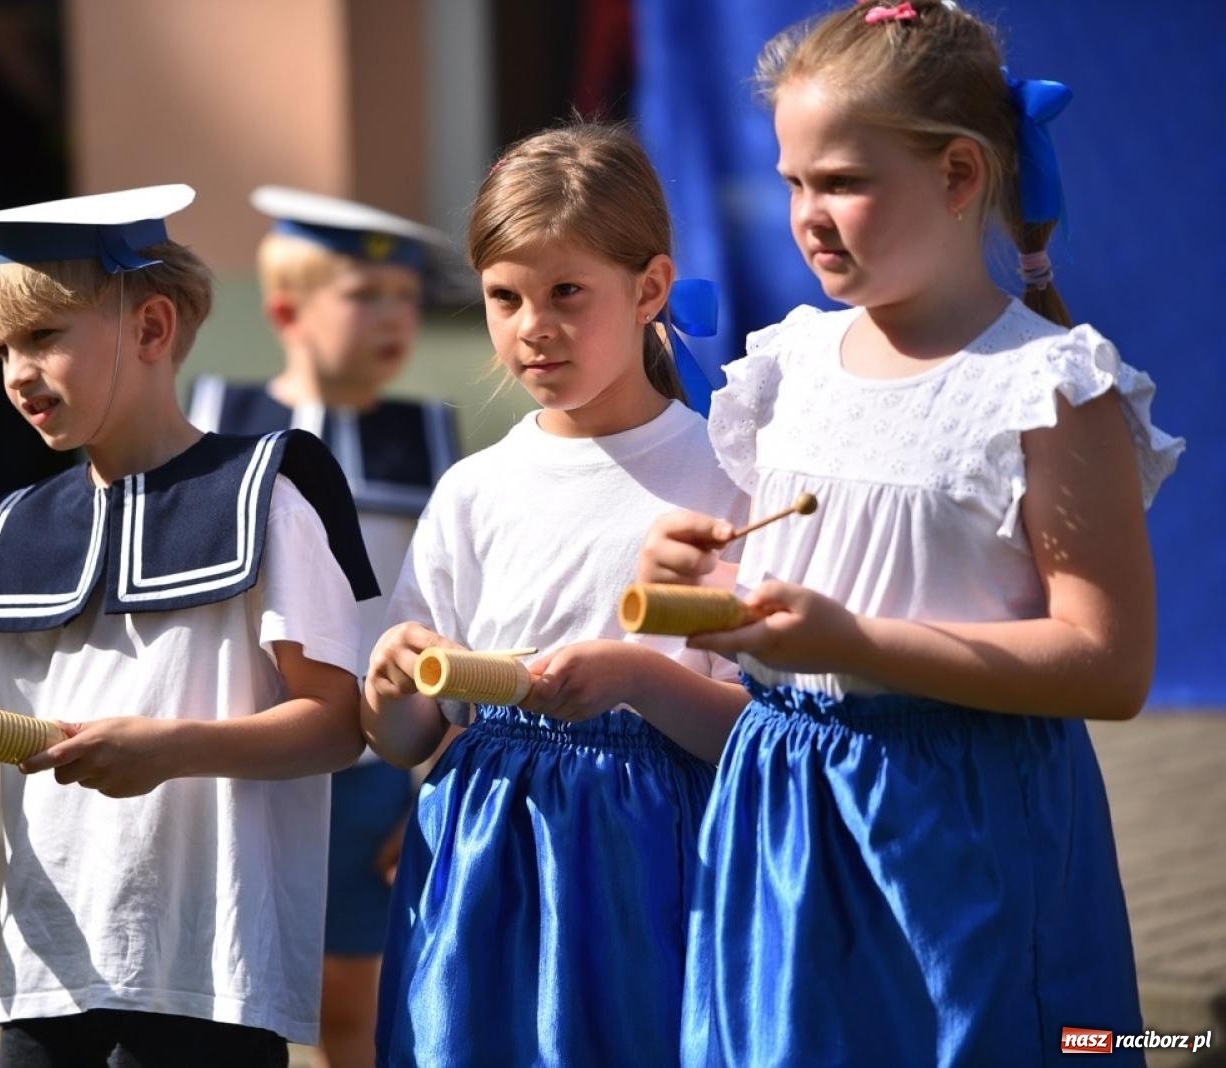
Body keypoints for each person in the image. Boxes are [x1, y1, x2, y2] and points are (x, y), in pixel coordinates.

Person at [633, 3, 1184, 1063]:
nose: (807, 214)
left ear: (961, 175)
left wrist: (854, 645)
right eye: (792, 181)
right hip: (782, 822)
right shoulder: (789, 364)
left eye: (842, 181)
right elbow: (791, 604)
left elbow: (1108, 667)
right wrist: (706, 583)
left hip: (960, 841)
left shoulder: (1046, 387)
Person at [0, 184, 381, 1066]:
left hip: (209, 982)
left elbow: (333, 726)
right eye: (2, 348)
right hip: (48, 977)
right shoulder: (12, 525)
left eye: (44, 336)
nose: (15, 372)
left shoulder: (268, 497)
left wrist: (174, 747)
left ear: (152, 330)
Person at [363, 122, 751, 1065]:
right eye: (506, 297)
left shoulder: (728, 474)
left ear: (650, 288)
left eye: (567, 292)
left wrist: (635, 679)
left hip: (654, 855)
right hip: (484, 851)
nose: (533, 326)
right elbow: (409, 737)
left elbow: (760, 730)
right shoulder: (474, 488)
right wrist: (390, 689)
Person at [187, 185, 457, 1068]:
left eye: (408, 300)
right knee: (228, 999)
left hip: (376, 771)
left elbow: (450, 614)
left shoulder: (430, 436)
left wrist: (430, 779)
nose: (394, 318)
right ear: (284, 309)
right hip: (243, 762)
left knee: (361, 1007)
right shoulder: (217, 415)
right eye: (365, 295)